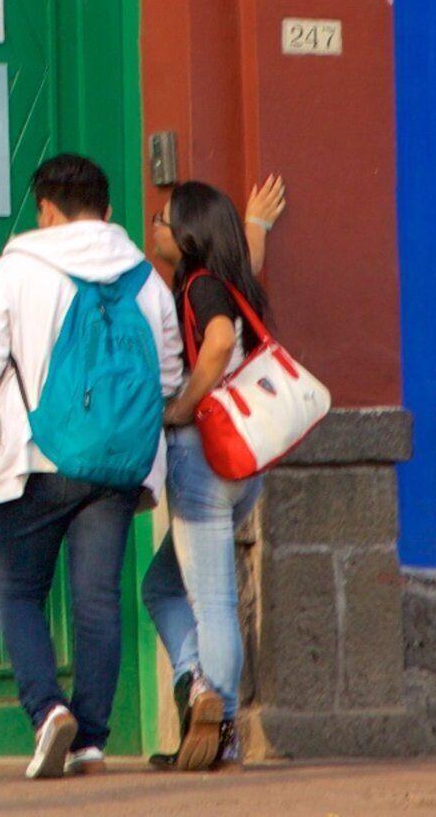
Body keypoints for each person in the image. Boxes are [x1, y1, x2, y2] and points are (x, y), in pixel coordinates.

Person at [0, 152, 181, 781]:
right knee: (98, 602)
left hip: (36, 459)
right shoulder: (147, 277)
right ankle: (92, 740)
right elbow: (168, 380)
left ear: (46, 209)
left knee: (19, 591)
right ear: (107, 212)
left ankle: (49, 711)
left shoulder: (19, 267)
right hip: (119, 466)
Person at [143, 176, 286, 771]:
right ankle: (201, 692)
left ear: (190, 236)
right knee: (163, 586)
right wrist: (256, 226)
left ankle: (219, 718)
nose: (153, 228)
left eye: (162, 219)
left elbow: (221, 338)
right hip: (243, 460)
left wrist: (182, 405)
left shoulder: (199, 285)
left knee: (213, 601)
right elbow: (242, 277)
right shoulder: (229, 278)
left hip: (202, 455)